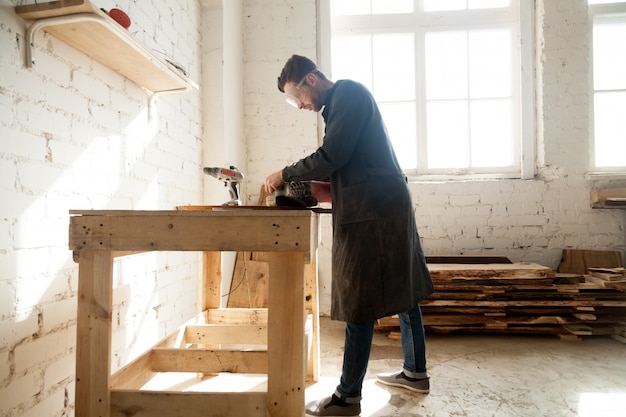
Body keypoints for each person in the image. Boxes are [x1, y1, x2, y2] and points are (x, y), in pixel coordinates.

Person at [264, 55, 435, 417]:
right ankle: (415, 373)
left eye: (298, 96)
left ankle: (347, 397)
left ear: (311, 79)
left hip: (376, 208)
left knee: (359, 297)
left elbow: (332, 154)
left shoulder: (349, 95)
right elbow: (350, 165)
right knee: (403, 289)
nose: (299, 106)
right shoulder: (340, 105)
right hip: (381, 202)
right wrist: (317, 186)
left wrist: (285, 173)